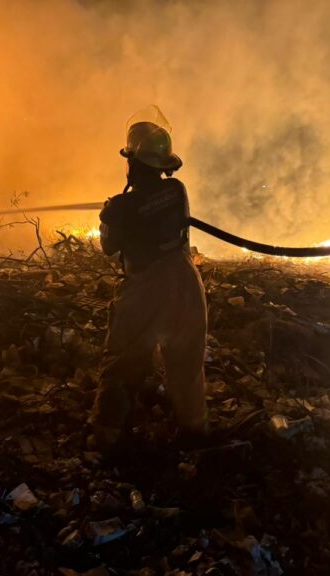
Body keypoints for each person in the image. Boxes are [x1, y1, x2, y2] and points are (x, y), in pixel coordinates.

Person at [88, 106, 207, 451]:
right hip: (187, 284)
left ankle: (107, 437)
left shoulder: (119, 208)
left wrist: (108, 215)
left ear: (132, 163)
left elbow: (108, 247)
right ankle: (195, 432)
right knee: (187, 364)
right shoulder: (177, 190)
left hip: (147, 290)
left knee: (123, 360)